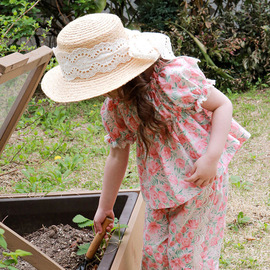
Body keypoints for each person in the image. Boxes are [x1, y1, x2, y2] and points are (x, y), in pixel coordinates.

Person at [41, 13, 250, 270]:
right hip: (159, 189)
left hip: (197, 179)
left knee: (185, 258)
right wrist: (104, 206)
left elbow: (222, 105)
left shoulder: (172, 78)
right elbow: (117, 155)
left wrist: (212, 157)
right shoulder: (115, 107)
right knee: (153, 256)